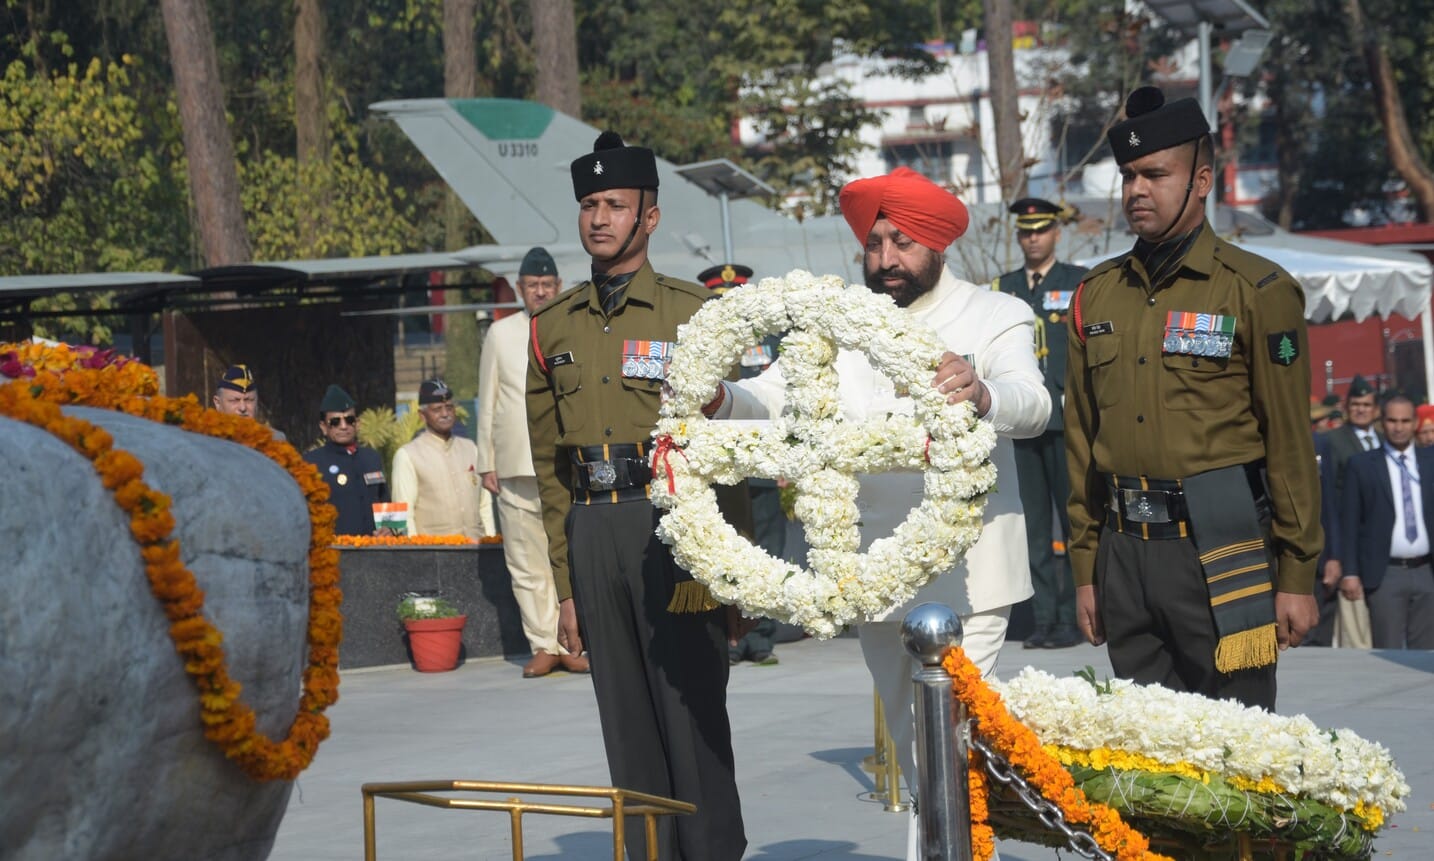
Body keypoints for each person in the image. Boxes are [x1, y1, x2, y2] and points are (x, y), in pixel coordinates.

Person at [716, 166, 1048, 856]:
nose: (887, 259)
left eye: (903, 242)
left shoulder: (994, 314)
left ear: (938, 246)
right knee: (918, 749)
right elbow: (770, 395)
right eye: (875, 243)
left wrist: (983, 392)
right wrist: (720, 401)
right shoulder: (837, 325)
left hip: (971, 575)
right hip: (873, 573)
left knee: (952, 743)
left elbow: (1033, 403)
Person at [1065, 86, 1322, 711]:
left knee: (1237, 748)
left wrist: (1296, 576)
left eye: (1156, 174)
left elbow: (1289, 441)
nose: (1135, 191)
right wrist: (1085, 570)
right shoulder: (1095, 294)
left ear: (1201, 179)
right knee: (1145, 750)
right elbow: (1080, 443)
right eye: (1128, 175)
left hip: (1221, 545)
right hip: (1124, 554)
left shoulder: (1257, 290)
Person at [525, 132, 745, 861]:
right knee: (623, 718)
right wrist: (564, 585)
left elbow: (727, 451)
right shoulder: (551, 326)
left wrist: (731, 571)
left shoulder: (695, 311)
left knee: (690, 710)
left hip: (672, 529)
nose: (598, 217)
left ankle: (712, 851)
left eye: (615, 204)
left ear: (649, 215)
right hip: (592, 530)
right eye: (589, 204)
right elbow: (548, 466)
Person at [477, 247, 589, 679]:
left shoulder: (572, 327)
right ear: (519, 290)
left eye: (547, 285)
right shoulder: (500, 333)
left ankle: (575, 642)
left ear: (558, 287)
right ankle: (543, 644)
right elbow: (488, 400)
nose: (539, 292)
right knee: (524, 560)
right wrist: (486, 459)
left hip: (564, 460)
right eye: (531, 286)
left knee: (568, 555)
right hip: (514, 463)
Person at [994, 197, 1087, 649]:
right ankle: (1044, 619)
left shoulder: (1078, 282)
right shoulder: (1002, 286)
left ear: (1055, 233)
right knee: (1031, 527)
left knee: (1072, 524)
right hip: (1021, 421)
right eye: (1026, 231)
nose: (1033, 238)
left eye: (1041, 230)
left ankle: (1072, 617)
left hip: (1065, 419)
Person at [697, 262, 784, 667]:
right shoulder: (702, 341)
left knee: (767, 548)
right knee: (726, 549)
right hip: (720, 463)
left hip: (764, 463)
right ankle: (726, 634)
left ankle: (762, 636)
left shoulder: (770, 339)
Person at [1338, 396, 1434, 648]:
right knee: (1389, 651)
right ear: (1382, 421)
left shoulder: (1430, 461)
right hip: (1385, 574)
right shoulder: (1362, 465)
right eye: (1392, 420)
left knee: (1426, 655)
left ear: (1415, 423)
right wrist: (1350, 572)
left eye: (1405, 421)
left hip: (1427, 571)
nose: (1399, 427)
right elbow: (1350, 522)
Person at [1308, 376, 1382, 645]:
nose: (1361, 409)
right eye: (1356, 404)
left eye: (1367, 404)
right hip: (1348, 542)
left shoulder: (1385, 439)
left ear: (1376, 409)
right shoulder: (1333, 441)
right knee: (1353, 635)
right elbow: (1330, 500)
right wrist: (1336, 554)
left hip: (1382, 546)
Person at [392, 379, 492, 540]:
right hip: (434, 555)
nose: (445, 414)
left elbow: (484, 505)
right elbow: (404, 513)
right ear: (422, 416)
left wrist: (490, 540)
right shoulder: (408, 455)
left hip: (477, 548)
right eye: (437, 409)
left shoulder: (470, 449)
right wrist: (412, 554)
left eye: (449, 408)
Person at [302, 385, 389, 536]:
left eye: (349, 420)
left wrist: (389, 528)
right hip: (336, 552)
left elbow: (384, 500)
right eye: (335, 422)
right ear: (323, 427)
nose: (344, 426)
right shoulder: (311, 463)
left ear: (358, 423)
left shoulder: (371, 458)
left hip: (375, 551)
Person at [212, 363, 287, 441]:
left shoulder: (273, 439)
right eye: (235, 400)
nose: (243, 408)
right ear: (218, 403)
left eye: (249, 400)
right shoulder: (207, 438)